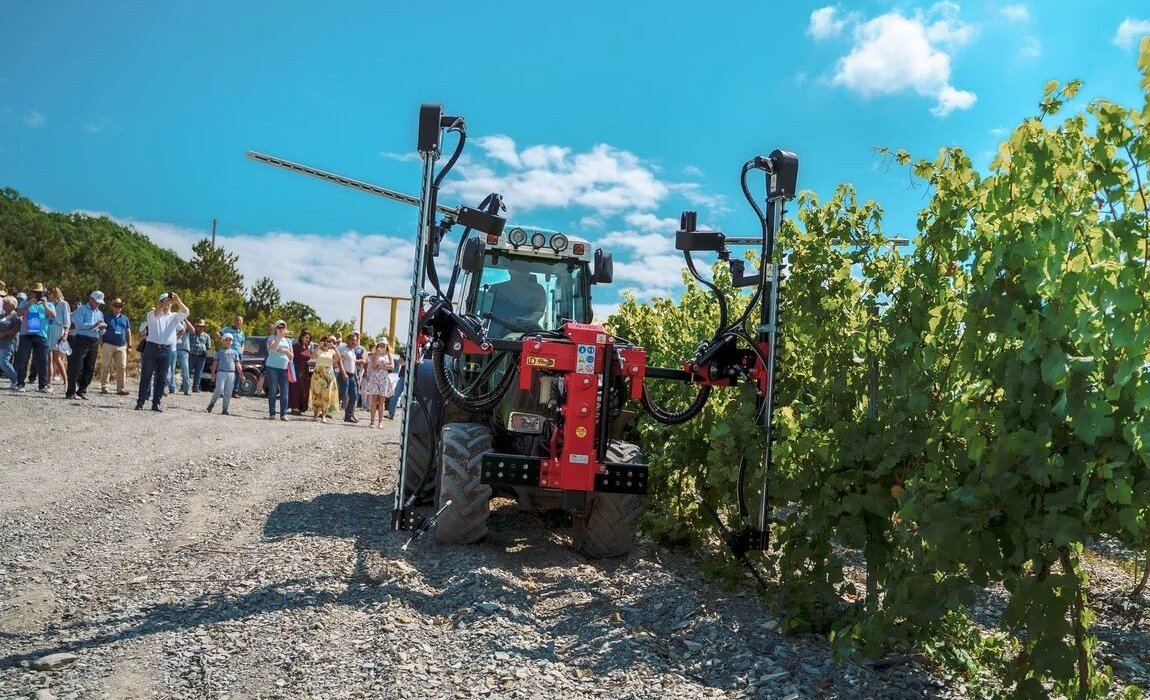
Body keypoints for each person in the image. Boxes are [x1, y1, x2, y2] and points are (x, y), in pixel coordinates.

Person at [136, 291, 190, 412]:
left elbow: (186, 312)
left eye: (169, 302)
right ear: (160, 302)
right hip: (151, 348)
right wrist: (162, 305)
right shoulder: (152, 315)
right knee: (146, 376)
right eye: (165, 301)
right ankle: (140, 402)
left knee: (161, 378)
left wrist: (178, 300)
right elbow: (155, 314)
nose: (168, 304)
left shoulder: (174, 317)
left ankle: (156, 403)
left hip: (166, 350)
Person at [14, 282, 56, 393]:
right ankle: (20, 384)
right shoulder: (24, 302)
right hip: (26, 335)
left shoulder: (49, 304)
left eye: (39, 293)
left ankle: (43, 385)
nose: (37, 295)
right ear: (31, 292)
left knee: (43, 361)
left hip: (41, 335)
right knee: (23, 360)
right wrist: (29, 304)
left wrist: (45, 305)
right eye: (35, 292)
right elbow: (19, 314)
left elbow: (53, 316)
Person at [66, 290, 106, 400]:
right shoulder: (81, 310)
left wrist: (102, 329)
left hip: (94, 340)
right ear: (91, 299)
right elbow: (79, 325)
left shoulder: (99, 313)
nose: (98, 304)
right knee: (77, 366)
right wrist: (94, 324)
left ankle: (82, 390)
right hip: (82, 339)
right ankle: (71, 392)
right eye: (96, 302)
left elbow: (101, 331)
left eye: (99, 303)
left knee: (90, 367)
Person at [488, 267, 548, 337]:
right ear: (509, 270)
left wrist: (523, 320)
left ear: (528, 272)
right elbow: (485, 312)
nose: (520, 273)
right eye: (517, 270)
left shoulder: (538, 291)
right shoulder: (496, 289)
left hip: (528, 335)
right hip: (492, 339)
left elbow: (539, 312)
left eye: (524, 270)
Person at [97, 298, 132, 395]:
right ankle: (104, 387)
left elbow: (128, 332)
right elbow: (100, 330)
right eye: (116, 306)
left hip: (121, 346)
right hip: (108, 344)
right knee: (106, 366)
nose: (118, 308)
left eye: (120, 306)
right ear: (112, 306)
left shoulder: (125, 318)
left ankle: (121, 388)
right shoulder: (106, 317)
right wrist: (101, 341)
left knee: (122, 367)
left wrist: (130, 346)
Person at [361, 340, 395, 427]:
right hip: (375, 378)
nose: (382, 347)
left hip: (384, 378)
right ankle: (372, 422)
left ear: (386, 346)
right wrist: (377, 354)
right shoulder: (375, 354)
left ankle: (380, 422)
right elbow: (374, 365)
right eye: (380, 345)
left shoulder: (389, 355)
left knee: (382, 400)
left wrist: (381, 366)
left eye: (384, 345)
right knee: (374, 399)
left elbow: (392, 367)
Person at [206, 333, 242, 414]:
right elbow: (215, 363)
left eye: (230, 340)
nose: (228, 342)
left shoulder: (234, 352)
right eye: (226, 340)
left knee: (228, 392)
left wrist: (241, 374)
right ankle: (212, 403)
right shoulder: (219, 351)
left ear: (232, 342)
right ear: (223, 341)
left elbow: (237, 364)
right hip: (221, 373)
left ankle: (225, 409)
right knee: (219, 389)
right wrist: (213, 375)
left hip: (231, 374)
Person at [264, 319, 293, 421]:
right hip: (272, 367)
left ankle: (283, 414)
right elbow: (273, 348)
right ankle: (272, 413)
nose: (281, 329)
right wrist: (281, 343)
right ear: (275, 329)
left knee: (285, 391)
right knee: (273, 390)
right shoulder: (271, 338)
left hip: (284, 368)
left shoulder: (288, 341)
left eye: (283, 327)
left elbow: (291, 355)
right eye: (279, 327)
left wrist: (284, 351)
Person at [309, 335, 340, 423]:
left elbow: (339, 359)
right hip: (318, 374)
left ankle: (324, 415)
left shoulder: (332, 351)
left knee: (326, 395)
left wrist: (335, 348)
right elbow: (312, 356)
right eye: (324, 341)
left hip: (328, 374)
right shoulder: (318, 350)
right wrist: (318, 347)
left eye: (328, 341)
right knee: (316, 394)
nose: (326, 342)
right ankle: (315, 414)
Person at [337, 332, 366, 423]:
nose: (353, 342)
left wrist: (356, 376)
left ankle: (348, 416)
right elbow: (339, 362)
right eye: (352, 340)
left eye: (355, 340)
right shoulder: (343, 349)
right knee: (344, 395)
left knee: (354, 395)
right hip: (344, 375)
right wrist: (343, 373)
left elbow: (353, 364)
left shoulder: (353, 351)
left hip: (352, 375)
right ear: (347, 340)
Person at [46, 287, 71, 388]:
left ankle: (65, 380)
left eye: (50, 293)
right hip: (49, 329)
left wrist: (65, 333)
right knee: (49, 357)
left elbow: (67, 320)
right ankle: (49, 382)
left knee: (57, 357)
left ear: (55, 293)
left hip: (58, 330)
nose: (48, 295)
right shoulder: (50, 304)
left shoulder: (64, 304)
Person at [220, 315, 246, 399]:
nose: (238, 322)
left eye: (240, 321)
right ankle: (222, 391)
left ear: (242, 323)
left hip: (238, 354)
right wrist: (221, 342)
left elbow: (242, 342)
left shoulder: (242, 332)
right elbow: (219, 334)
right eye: (237, 320)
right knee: (227, 371)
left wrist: (242, 350)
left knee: (238, 372)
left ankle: (235, 392)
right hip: (229, 353)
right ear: (234, 321)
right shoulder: (227, 329)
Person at [288, 327, 313, 415]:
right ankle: (294, 407)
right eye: (306, 337)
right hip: (296, 369)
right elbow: (290, 357)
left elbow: (310, 357)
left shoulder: (307, 348)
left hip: (305, 371)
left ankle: (300, 407)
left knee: (303, 389)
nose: (307, 339)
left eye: (309, 338)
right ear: (302, 337)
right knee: (295, 388)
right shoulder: (295, 346)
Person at [0, 296, 20, 389]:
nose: (3, 305)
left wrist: (4, 334)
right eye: (3, 303)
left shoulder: (16, 317)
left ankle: (16, 380)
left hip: (9, 343)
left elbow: (15, 330)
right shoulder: (1, 316)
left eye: (6, 303)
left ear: (12, 305)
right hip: (1, 343)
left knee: (3, 362)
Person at [187, 319, 212, 392]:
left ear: (204, 327)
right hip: (191, 355)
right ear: (196, 326)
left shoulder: (206, 336)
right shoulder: (192, 333)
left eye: (202, 326)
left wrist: (206, 353)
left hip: (201, 357)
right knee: (188, 372)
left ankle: (195, 388)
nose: (201, 328)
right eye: (199, 326)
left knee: (198, 373)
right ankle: (184, 386)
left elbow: (208, 347)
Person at [172, 321, 193, 395]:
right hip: (173, 347)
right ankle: (172, 388)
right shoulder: (174, 320)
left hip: (184, 349)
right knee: (172, 368)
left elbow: (192, 331)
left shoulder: (185, 323)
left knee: (185, 370)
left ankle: (186, 389)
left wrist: (186, 320)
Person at [386, 351, 406, 420]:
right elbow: (400, 362)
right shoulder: (406, 351)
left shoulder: (420, 351)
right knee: (395, 395)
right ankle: (391, 413)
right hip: (403, 377)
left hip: (415, 377)